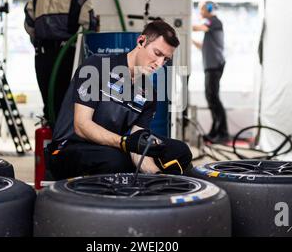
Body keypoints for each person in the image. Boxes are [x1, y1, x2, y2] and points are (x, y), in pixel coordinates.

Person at [46, 20, 192, 180]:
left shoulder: (149, 94)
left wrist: (155, 176)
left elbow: (138, 146)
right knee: (116, 161)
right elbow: (81, 125)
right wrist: (125, 143)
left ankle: (158, 191)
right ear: (141, 41)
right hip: (69, 148)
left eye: (166, 59)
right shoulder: (96, 67)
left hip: (110, 148)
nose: (159, 64)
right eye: (157, 54)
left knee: (180, 151)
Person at [24, 0, 99, 123]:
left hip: (41, 57)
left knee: (49, 102)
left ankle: (50, 144)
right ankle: (62, 146)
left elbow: (29, 21)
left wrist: (39, 40)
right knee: (65, 105)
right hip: (66, 58)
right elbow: (91, 30)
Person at [192, 1, 229, 144]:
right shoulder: (212, 25)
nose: (200, 11)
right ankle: (215, 131)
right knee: (211, 98)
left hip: (214, 66)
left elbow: (199, 27)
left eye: (201, 8)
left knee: (213, 98)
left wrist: (183, 24)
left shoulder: (212, 21)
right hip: (211, 66)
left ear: (208, 9)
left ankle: (222, 133)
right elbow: (203, 46)